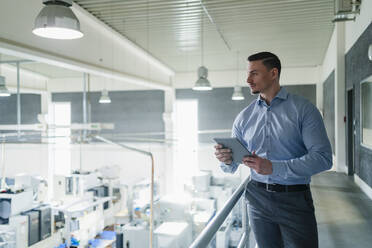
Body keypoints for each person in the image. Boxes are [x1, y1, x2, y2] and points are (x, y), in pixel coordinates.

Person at [214, 52, 332, 248]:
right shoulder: (244, 118)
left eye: (254, 74)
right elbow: (231, 166)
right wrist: (226, 159)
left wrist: (274, 168)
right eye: (248, 74)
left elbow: (323, 158)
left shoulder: (303, 109)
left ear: (273, 73)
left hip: (294, 198)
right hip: (257, 199)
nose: (248, 80)